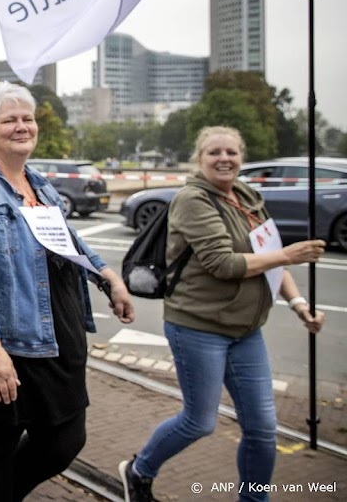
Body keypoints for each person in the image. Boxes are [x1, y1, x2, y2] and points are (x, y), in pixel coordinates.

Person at [0, 81, 134, 501]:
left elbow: (66, 241)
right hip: (1, 341)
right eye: (9, 120)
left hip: (51, 339)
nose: (22, 126)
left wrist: (106, 275)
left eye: (27, 118)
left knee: (65, 440)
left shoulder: (40, 185)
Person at [119, 126, 326, 502]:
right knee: (199, 421)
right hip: (198, 327)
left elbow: (270, 256)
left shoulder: (248, 197)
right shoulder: (193, 199)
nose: (224, 159)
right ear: (200, 159)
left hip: (246, 330)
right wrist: (288, 255)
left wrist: (299, 305)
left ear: (241, 157)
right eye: (214, 152)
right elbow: (223, 264)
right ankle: (139, 469)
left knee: (263, 428)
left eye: (231, 152)